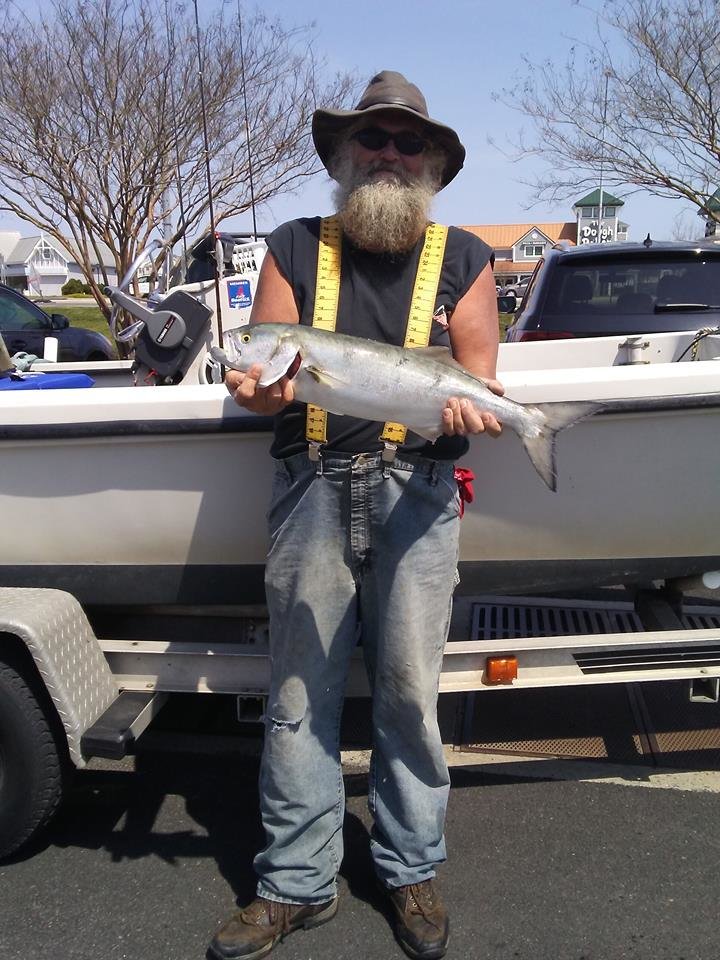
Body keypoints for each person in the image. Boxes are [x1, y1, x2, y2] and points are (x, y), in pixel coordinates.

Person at [209, 70, 503, 960]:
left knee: (411, 694)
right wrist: (253, 391)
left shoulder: (466, 259)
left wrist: (472, 415)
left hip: (419, 495)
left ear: (431, 164)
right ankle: (297, 883)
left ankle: (410, 867)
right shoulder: (295, 247)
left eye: (406, 141)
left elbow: (485, 389)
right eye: (371, 138)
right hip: (312, 491)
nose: (387, 152)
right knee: (298, 695)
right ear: (342, 154)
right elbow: (264, 393)